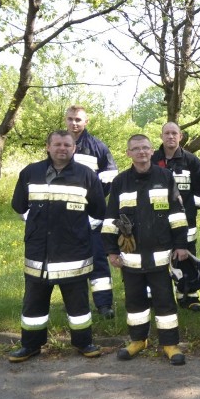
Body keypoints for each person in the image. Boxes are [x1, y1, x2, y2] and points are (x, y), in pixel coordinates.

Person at [8, 130, 107, 362]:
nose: (62, 148)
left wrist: (78, 230)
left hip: (74, 254)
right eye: (57, 144)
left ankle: (84, 343)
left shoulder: (86, 175)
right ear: (48, 147)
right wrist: (35, 225)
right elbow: (19, 206)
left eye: (67, 145)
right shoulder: (31, 172)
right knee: (33, 305)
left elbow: (99, 211)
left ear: (74, 149)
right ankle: (30, 345)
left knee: (78, 306)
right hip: (38, 254)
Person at [102, 134, 190, 365]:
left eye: (145, 148)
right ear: (128, 153)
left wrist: (181, 244)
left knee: (165, 301)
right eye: (136, 148)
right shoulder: (120, 182)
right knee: (135, 302)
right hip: (130, 257)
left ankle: (170, 344)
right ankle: (138, 341)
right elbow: (111, 218)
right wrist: (111, 250)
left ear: (152, 151)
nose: (141, 152)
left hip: (161, 256)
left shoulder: (166, 177)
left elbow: (178, 215)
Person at [65, 104, 118, 319]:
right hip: (65, 217)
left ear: (86, 122)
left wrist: (95, 199)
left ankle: (104, 305)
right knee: (68, 260)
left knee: (98, 260)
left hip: (92, 215)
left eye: (78, 119)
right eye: (70, 119)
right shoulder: (59, 144)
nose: (74, 123)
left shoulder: (98, 147)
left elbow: (111, 176)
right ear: (65, 120)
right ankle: (73, 303)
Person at [151, 122, 200, 311]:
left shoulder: (191, 161)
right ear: (161, 136)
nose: (170, 137)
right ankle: (161, 297)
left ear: (180, 136)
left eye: (174, 133)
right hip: (158, 220)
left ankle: (190, 296)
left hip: (186, 221)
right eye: (166, 133)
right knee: (161, 258)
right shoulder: (152, 159)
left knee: (187, 255)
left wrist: (191, 208)